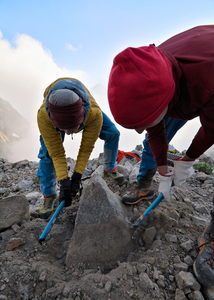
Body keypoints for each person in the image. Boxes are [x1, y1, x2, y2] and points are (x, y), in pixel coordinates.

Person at [107, 25, 214, 288]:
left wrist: (188, 160)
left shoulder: (207, 80)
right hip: (179, 84)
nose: (140, 129)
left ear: (165, 100)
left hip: (204, 78)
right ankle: (146, 185)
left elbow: (211, 128)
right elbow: (155, 131)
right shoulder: (147, 73)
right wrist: (166, 171)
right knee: (157, 130)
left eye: (142, 122)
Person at [37, 77, 124, 220]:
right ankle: (49, 195)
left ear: (82, 118)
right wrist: (64, 181)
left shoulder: (93, 115)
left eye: (72, 129)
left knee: (113, 133)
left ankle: (109, 167)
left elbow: (85, 149)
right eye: (62, 129)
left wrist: (77, 177)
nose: (68, 133)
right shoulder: (44, 117)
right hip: (53, 119)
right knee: (47, 154)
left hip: (88, 114)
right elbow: (57, 153)